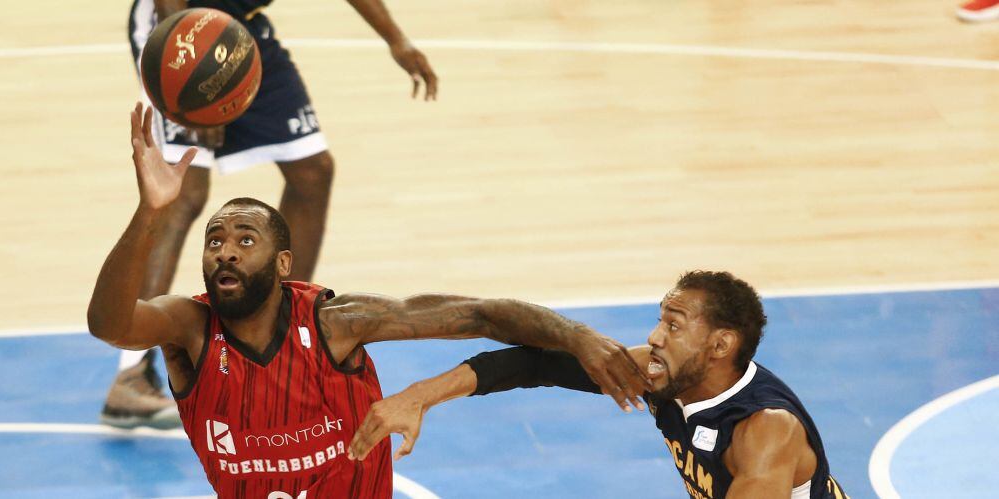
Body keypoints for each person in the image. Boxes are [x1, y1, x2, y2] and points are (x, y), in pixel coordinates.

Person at [86, 103, 646, 497]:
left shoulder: (336, 324)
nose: (225, 252)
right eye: (215, 241)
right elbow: (109, 324)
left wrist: (578, 336)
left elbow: (480, 315)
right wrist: (151, 211)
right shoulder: (191, 326)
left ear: (285, 265)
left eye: (244, 240)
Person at [105, 0, 439, 429]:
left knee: (312, 172)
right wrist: (197, 91)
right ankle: (131, 372)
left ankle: (281, 344)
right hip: (182, 25)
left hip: (239, 31)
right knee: (185, 195)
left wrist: (397, 39)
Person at [347, 271, 850, 499]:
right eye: (661, 319)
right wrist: (420, 396)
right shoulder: (662, 374)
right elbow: (531, 365)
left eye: (673, 326)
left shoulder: (766, 432)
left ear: (720, 346)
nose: (653, 337)